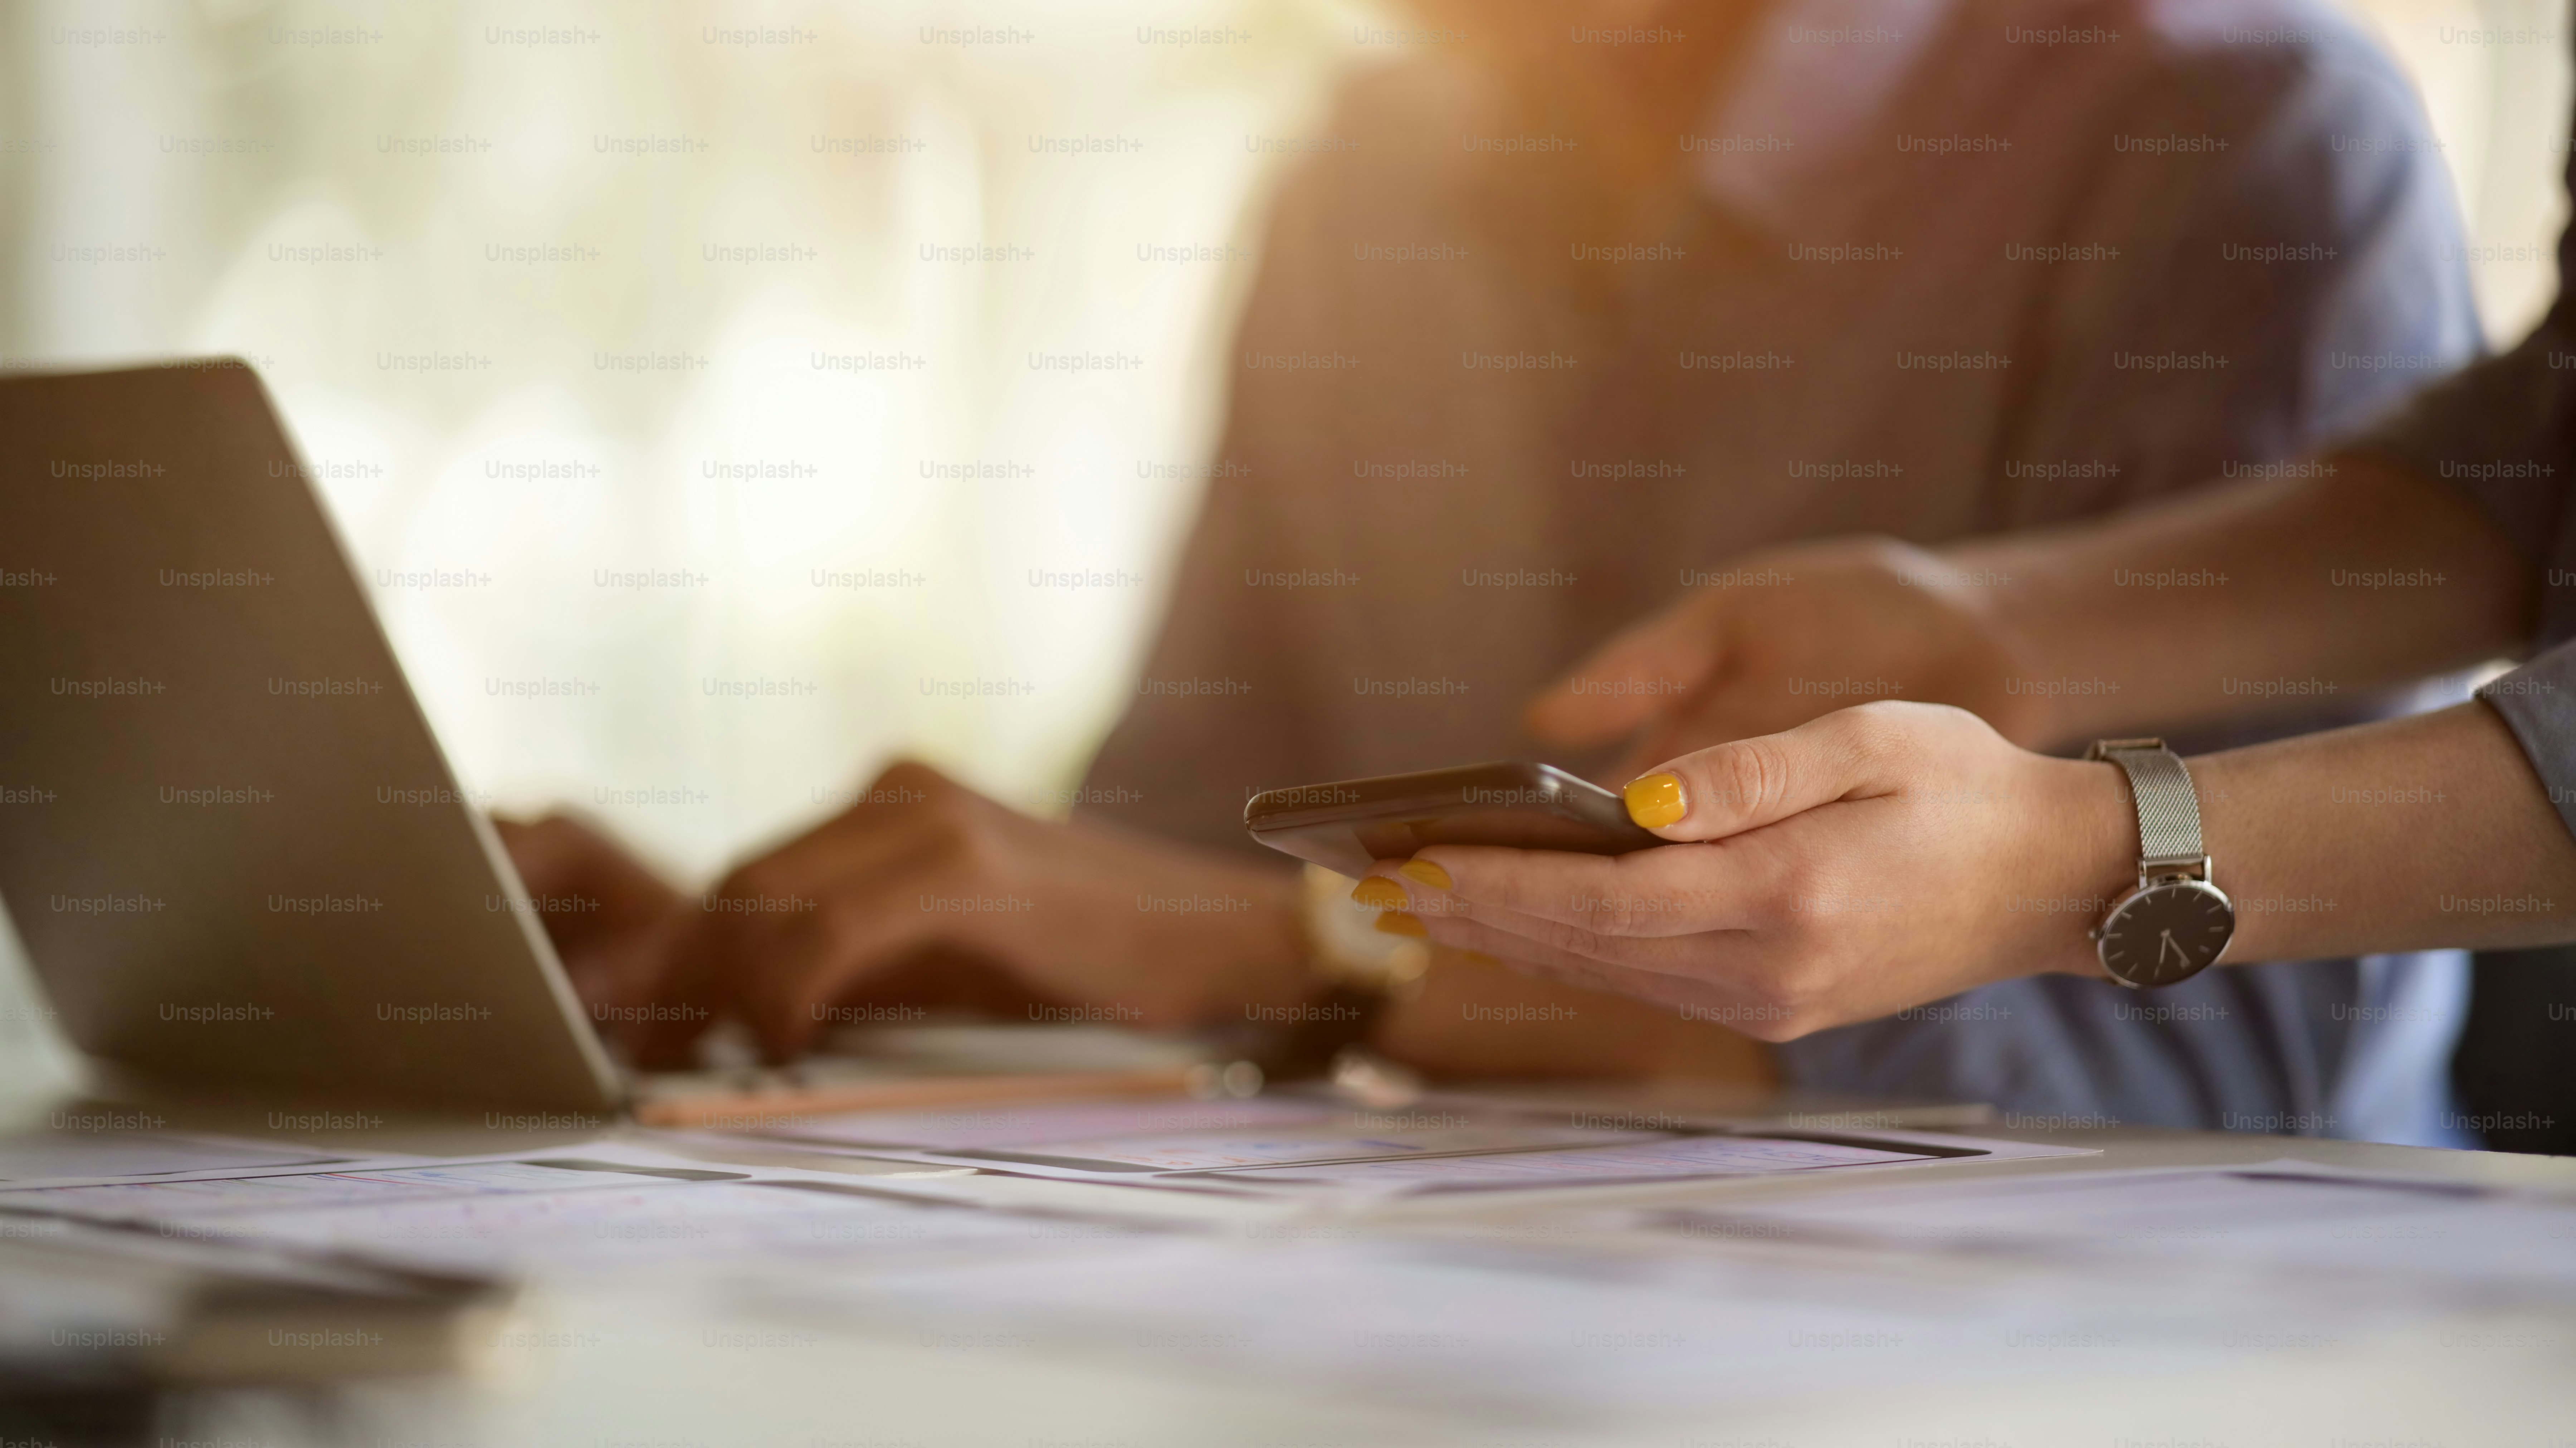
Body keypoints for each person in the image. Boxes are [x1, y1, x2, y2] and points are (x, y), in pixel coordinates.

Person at [503, 0, 2481, 1139]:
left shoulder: (2236, 140)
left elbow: (2238, 1068)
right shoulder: (1367, 175)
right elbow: (1176, 866)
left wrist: (1294, 958)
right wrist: (864, 955)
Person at [1355, 29, 2576, 1065]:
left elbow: (2238, 1059)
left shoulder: (2246, 115)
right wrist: (2000, 629)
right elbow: (2550, 450)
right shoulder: (1395, 150)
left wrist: (2062, 861)